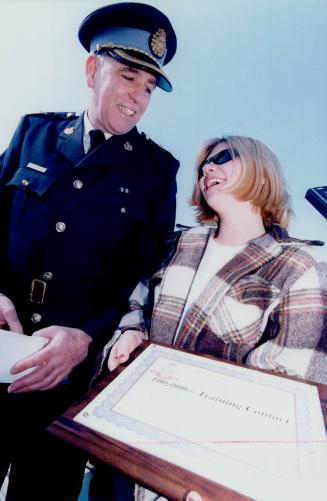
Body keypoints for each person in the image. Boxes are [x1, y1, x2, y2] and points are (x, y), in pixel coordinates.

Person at [0, 3, 179, 500]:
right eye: (128, 77)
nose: (138, 98)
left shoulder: (155, 171)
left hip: (65, 387)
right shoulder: (33, 134)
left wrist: (86, 335)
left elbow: (148, 277)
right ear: (91, 70)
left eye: (148, 87)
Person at [106, 134, 327, 500]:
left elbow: (293, 391)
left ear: (261, 171)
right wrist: (131, 336)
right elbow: (138, 308)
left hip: (209, 474)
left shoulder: (301, 265)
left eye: (224, 157)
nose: (208, 168)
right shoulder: (178, 246)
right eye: (204, 165)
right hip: (127, 459)